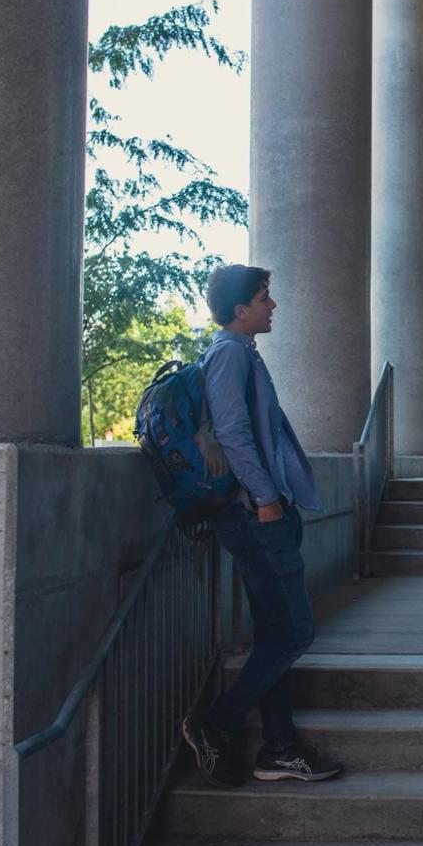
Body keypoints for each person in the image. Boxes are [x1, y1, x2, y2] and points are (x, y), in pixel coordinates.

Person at [180, 264, 343, 786]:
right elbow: (232, 432)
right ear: (240, 309)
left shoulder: (241, 352)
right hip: (255, 514)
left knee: (275, 632)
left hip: (263, 510)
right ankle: (215, 725)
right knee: (295, 631)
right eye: (264, 298)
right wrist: (267, 498)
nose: (272, 306)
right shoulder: (229, 353)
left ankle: (279, 748)